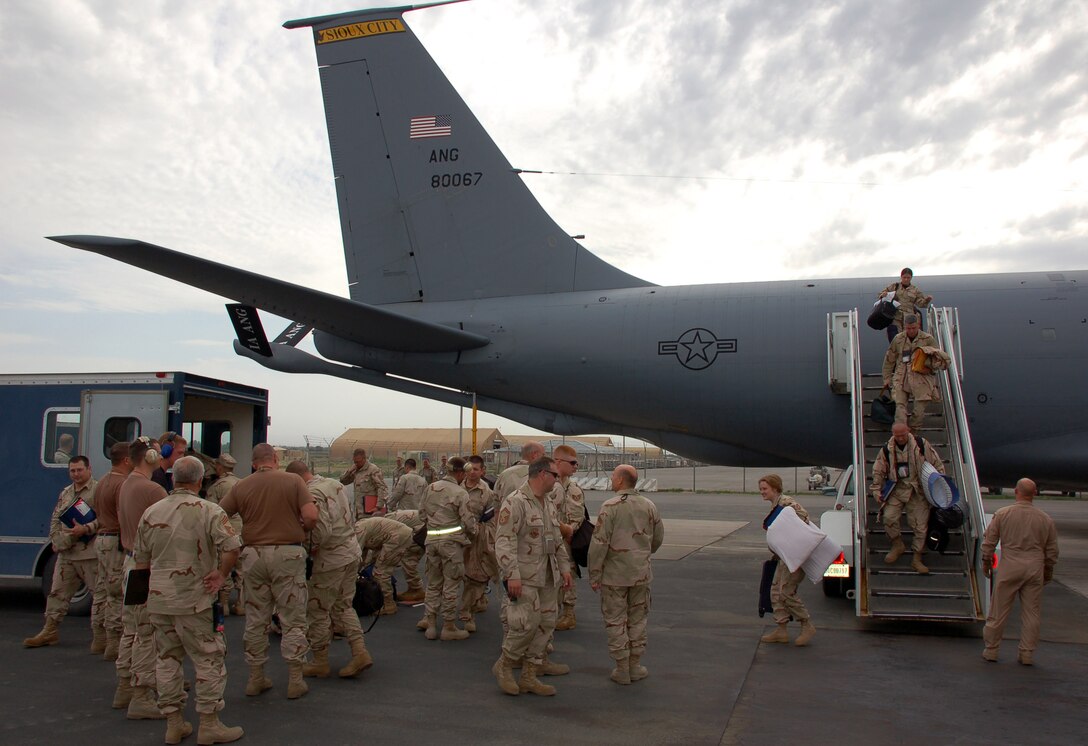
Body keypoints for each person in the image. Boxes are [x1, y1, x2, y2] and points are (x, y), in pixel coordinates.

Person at [132, 455, 243, 744]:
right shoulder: (209, 511)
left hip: (159, 598)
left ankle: (174, 723)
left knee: (167, 659)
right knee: (208, 658)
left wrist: (143, 597)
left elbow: (140, 561)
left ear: (172, 479)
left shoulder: (151, 512)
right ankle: (209, 723)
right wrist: (220, 574)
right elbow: (232, 546)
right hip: (195, 599)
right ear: (199, 480)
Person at [220, 444, 318, 700]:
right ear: (275, 459)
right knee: (292, 617)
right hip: (287, 553)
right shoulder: (293, 481)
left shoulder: (241, 486)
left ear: (254, 463)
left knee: (256, 617)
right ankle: (295, 678)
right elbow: (311, 517)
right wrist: (302, 528)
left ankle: (256, 677)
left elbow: (220, 516)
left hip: (253, 555)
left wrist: (234, 541)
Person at [285, 461, 372, 680]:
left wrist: (301, 544)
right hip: (350, 552)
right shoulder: (333, 484)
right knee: (344, 605)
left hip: (329, 560)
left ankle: (320, 661)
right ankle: (359, 652)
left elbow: (319, 533)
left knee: (318, 610)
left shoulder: (312, 493)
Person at [492, 457, 572, 697]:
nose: (558, 480)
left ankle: (530, 675)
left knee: (546, 624)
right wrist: (512, 575)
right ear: (542, 474)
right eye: (555, 475)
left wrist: (565, 568)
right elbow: (504, 541)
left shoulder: (547, 503)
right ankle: (505, 666)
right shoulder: (515, 502)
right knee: (524, 625)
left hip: (548, 575)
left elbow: (556, 540)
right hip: (524, 576)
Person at [589, 464, 664, 683]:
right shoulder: (648, 505)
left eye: (613, 476)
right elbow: (658, 537)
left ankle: (622, 667)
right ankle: (635, 665)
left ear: (621, 480)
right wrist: (641, 554)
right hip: (641, 573)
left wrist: (595, 574)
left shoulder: (610, 506)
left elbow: (599, 543)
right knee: (638, 619)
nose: (611, 480)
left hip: (615, 575)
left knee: (615, 619)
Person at [115, 437, 170, 718]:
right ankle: (142, 695)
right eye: (159, 453)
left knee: (132, 629)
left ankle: (125, 686)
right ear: (149, 457)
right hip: (147, 567)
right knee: (147, 633)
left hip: (130, 562)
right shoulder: (152, 489)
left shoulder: (126, 485)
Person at [24, 455, 101, 650]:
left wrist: (86, 529)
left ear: (89, 469)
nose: (76, 474)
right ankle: (49, 631)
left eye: (79, 470)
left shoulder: (98, 491)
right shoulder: (66, 493)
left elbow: (105, 520)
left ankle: (102, 637)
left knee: (100, 597)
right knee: (57, 593)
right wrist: (57, 540)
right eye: (72, 471)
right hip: (67, 555)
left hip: (89, 555)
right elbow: (56, 518)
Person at [980, 478, 1059, 665]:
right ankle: (1027, 654)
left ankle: (991, 649)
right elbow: (1052, 551)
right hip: (1034, 567)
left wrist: (986, 562)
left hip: (1010, 565)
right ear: (1035, 494)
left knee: (998, 611)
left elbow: (989, 542)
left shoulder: (1003, 514)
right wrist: (1047, 571)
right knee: (1031, 613)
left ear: (1016, 491)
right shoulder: (1045, 519)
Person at [870, 423, 945, 575]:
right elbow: (878, 470)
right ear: (893, 434)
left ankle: (917, 558)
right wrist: (876, 489)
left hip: (917, 489)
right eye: (897, 436)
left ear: (908, 432)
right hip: (897, 489)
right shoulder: (887, 449)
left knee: (919, 525)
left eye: (903, 435)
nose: (901, 438)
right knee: (889, 517)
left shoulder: (921, 445)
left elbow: (936, 463)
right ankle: (897, 544)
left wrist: (941, 484)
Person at [418, 457, 476, 640]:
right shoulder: (460, 492)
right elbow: (468, 522)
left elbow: (421, 514)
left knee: (434, 583)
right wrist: (473, 535)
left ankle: (431, 625)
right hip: (451, 545)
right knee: (451, 584)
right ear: (460, 473)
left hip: (431, 542)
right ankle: (449, 626)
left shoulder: (431, 487)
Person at [757, 474, 816, 647]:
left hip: (796, 556)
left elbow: (804, 518)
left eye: (765, 489)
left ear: (775, 488)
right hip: (784, 557)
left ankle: (806, 624)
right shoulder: (777, 505)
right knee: (775, 591)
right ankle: (781, 629)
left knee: (786, 592)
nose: (762, 492)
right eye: (761, 489)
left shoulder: (787, 503)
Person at [92, 442, 133, 661]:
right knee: (117, 593)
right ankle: (113, 642)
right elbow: (123, 514)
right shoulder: (122, 484)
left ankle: (98, 636)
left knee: (102, 591)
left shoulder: (102, 482)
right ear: (126, 460)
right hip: (115, 540)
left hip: (101, 538)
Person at [881, 314, 950, 430]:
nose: (911, 331)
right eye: (908, 328)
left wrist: (931, 366)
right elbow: (889, 360)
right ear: (904, 327)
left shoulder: (928, 339)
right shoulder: (898, 339)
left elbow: (938, 358)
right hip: (902, 377)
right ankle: (901, 434)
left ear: (918, 326)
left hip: (921, 378)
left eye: (913, 328)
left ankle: (912, 433)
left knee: (919, 411)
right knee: (900, 407)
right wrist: (887, 378)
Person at [550, 445, 586, 631]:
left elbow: (577, 518)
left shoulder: (573, 489)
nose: (575, 466)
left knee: (568, 575)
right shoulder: (547, 485)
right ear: (558, 462)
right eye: (572, 463)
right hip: (548, 541)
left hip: (565, 542)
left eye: (576, 463)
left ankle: (568, 613)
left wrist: (568, 530)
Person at [460, 455, 498, 631]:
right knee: (454, 575)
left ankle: (468, 614)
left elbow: (490, 520)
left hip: (476, 540)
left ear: (483, 471)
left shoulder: (488, 494)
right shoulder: (456, 488)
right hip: (455, 539)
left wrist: (484, 540)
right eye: (470, 469)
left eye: (476, 469)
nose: (472, 473)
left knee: (474, 576)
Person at [204, 453, 245, 615]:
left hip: (225, 531)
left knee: (224, 566)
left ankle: (224, 604)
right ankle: (241, 604)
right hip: (242, 531)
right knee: (242, 569)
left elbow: (211, 512)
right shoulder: (243, 484)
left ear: (219, 467)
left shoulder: (217, 486)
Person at [354, 514, 415, 615]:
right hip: (392, 536)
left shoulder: (357, 533)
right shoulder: (357, 530)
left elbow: (355, 558)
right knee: (373, 566)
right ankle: (380, 598)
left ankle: (389, 604)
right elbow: (361, 558)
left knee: (381, 572)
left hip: (396, 537)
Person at [878, 267, 933, 341]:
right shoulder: (894, 286)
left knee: (909, 340)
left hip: (909, 319)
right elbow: (880, 295)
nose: (906, 279)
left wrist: (927, 300)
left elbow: (921, 304)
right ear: (901, 277)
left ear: (911, 278)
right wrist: (883, 294)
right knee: (895, 340)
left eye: (908, 277)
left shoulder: (915, 290)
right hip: (895, 317)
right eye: (904, 277)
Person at [385, 509, 426, 602]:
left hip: (421, 530)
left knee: (408, 558)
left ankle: (416, 589)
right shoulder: (385, 520)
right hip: (425, 526)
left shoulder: (384, 525)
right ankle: (414, 588)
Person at [339, 447, 387, 518]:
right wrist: (349, 471)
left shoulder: (373, 470)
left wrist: (378, 507)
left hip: (371, 512)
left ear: (364, 459)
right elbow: (343, 481)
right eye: (355, 462)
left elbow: (382, 488)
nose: (356, 464)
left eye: (358, 462)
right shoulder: (356, 470)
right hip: (359, 512)